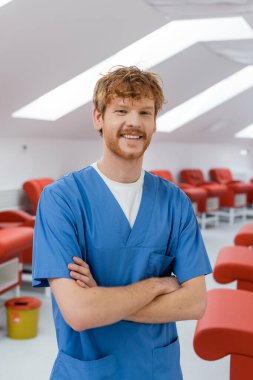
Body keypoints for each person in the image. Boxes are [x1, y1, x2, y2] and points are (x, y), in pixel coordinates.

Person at [32, 66, 212, 380]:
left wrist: (101, 297)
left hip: (158, 370)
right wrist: (158, 285)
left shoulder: (175, 202)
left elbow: (194, 303)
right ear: (98, 118)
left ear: (155, 123)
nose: (134, 122)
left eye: (145, 112)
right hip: (88, 370)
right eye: (121, 110)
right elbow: (79, 313)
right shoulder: (61, 199)